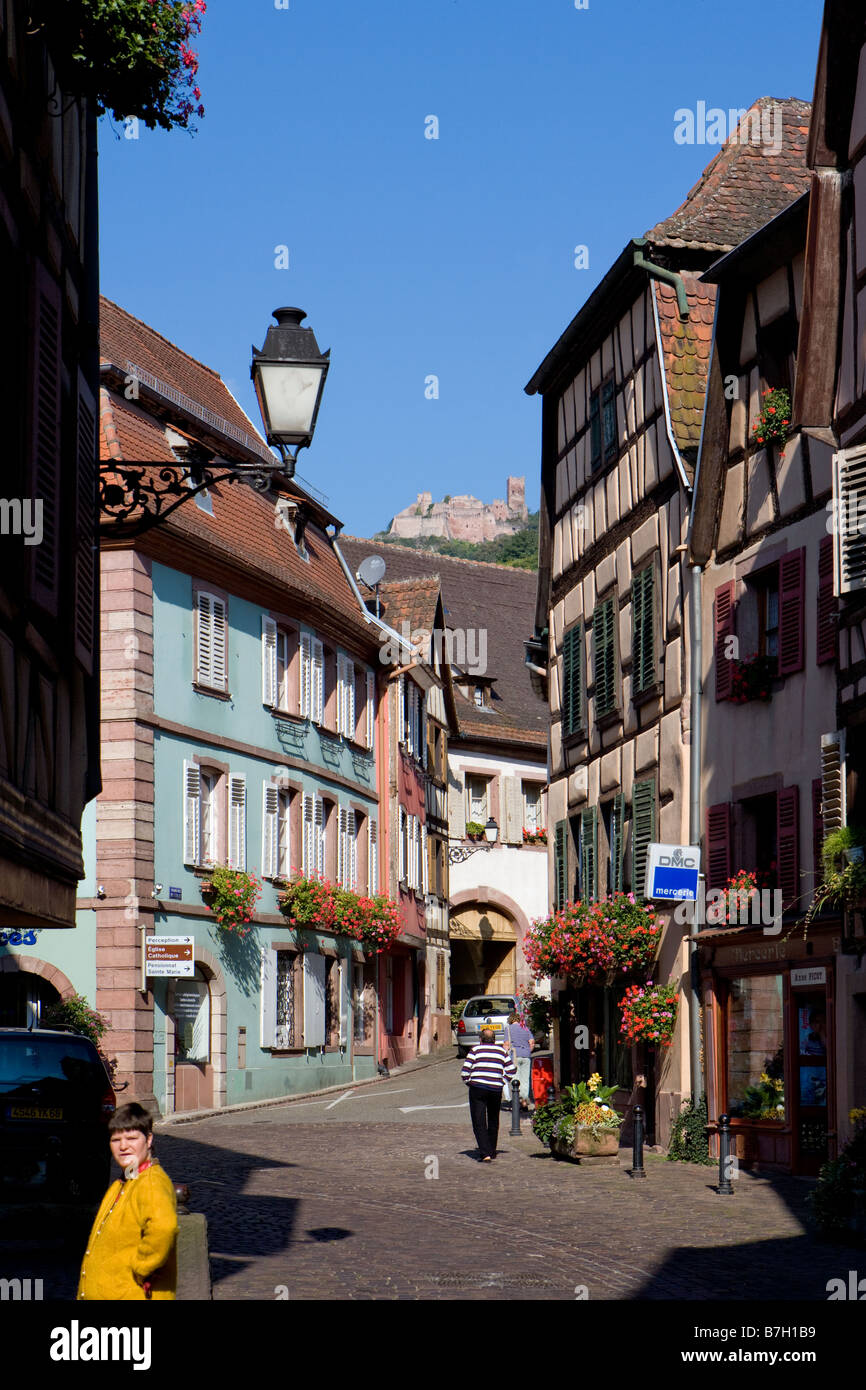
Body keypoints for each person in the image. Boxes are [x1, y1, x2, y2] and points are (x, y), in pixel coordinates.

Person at [78, 1102, 178, 1301]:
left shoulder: (150, 1182)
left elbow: (164, 1227)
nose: (123, 1146)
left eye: (131, 1138)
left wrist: (142, 1268)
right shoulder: (126, 1181)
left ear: (148, 1140)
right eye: (116, 1140)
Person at [461, 1026, 518, 1161]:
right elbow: (511, 1069)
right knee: (493, 1119)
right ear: (494, 1040)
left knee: (479, 1120)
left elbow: (465, 1072)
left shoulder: (475, 1050)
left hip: (478, 1088)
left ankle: (485, 1152)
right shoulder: (501, 1051)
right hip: (495, 1089)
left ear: (480, 1039)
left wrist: (470, 1082)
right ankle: (492, 1150)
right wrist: (502, 1081)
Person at [507, 1010, 535, 1112]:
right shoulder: (526, 1028)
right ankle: (524, 1102)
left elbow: (506, 1044)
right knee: (525, 1080)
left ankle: (517, 1102)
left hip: (514, 1056)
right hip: (526, 1056)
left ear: (510, 1020)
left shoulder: (509, 1029)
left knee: (515, 1079)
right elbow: (532, 1043)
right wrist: (527, 1050)